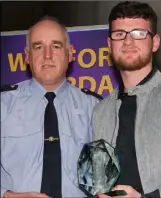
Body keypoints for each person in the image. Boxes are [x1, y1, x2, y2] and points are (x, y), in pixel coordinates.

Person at [1, 16, 101, 198]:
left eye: (56, 46)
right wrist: (7, 195)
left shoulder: (94, 107)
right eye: (38, 47)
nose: (47, 55)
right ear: (27, 56)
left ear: (70, 53)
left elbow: (104, 179)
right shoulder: (3, 104)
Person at [92, 1, 161, 198]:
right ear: (109, 44)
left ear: (155, 42)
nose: (128, 42)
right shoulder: (100, 112)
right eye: (119, 34)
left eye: (139, 33)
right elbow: (99, 181)